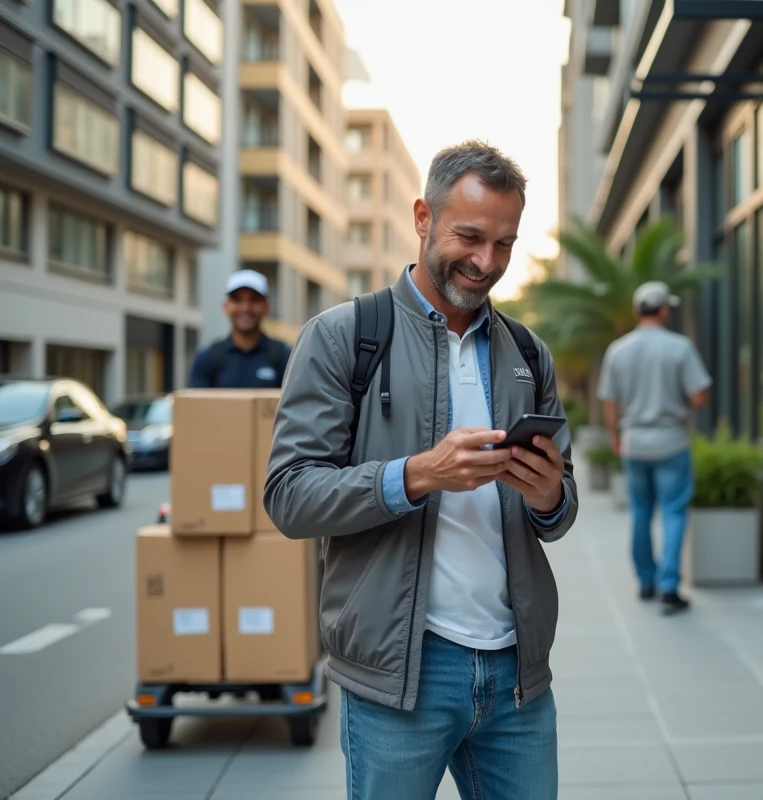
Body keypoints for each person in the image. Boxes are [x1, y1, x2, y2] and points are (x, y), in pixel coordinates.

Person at [263, 140, 578, 800]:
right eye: (470, 236)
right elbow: (289, 496)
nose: (485, 261)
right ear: (422, 217)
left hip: (516, 673)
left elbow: (560, 508)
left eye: (504, 244)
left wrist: (551, 496)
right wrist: (415, 475)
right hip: (399, 676)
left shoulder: (526, 351)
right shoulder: (342, 337)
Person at [597, 281, 712, 614]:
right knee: (674, 513)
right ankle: (669, 586)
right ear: (664, 310)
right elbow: (698, 396)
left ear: (637, 311)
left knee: (641, 513)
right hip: (671, 442)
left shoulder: (617, 350)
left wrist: (616, 437)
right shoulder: (680, 347)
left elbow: (608, 401)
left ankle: (646, 582)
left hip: (634, 443)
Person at [186, 269, 291, 388]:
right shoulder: (206, 358)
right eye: (237, 300)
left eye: (254, 300)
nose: (245, 308)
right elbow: (195, 404)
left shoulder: (284, 357)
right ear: (226, 307)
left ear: (266, 307)